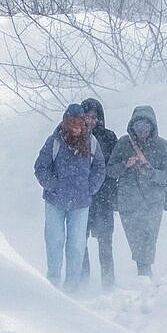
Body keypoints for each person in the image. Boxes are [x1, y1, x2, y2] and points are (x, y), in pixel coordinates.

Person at [34, 103, 105, 291]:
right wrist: (53, 185)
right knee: (55, 240)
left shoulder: (92, 142)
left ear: (84, 123)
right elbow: (40, 167)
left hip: (81, 203)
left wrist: (90, 188)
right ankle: (53, 282)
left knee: (76, 244)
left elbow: (99, 168)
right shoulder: (54, 141)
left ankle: (72, 286)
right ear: (66, 121)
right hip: (55, 201)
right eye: (72, 122)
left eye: (79, 122)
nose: (76, 126)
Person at [107, 104, 167, 278]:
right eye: (138, 127)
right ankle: (143, 272)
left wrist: (151, 173)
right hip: (128, 200)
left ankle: (145, 273)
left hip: (153, 201)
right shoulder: (123, 143)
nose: (142, 131)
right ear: (132, 126)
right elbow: (110, 170)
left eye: (146, 126)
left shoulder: (161, 145)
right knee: (135, 239)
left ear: (153, 127)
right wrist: (125, 165)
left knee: (149, 238)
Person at [77, 98, 118, 287]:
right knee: (80, 242)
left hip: (104, 198)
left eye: (94, 117)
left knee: (105, 243)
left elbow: (114, 165)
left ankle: (108, 284)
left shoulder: (109, 137)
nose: (91, 120)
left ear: (99, 118)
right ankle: (83, 281)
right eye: (87, 116)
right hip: (82, 199)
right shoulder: (74, 136)